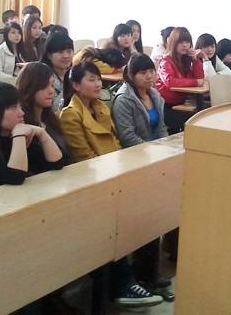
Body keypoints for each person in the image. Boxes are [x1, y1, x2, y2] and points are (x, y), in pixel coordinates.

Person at [59, 61, 163, 308]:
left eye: (98, 79)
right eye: (91, 80)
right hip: (93, 182)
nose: (98, 84)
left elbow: (116, 145)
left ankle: (143, 276)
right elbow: (85, 158)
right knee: (114, 223)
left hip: (114, 174)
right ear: (76, 86)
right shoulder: (70, 115)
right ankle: (125, 284)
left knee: (149, 210)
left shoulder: (102, 108)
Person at [111, 54, 173, 300]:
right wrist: (153, 154)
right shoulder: (124, 100)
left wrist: (167, 151)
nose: (149, 76)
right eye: (142, 72)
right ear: (130, 75)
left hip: (156, 160)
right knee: (145, 219)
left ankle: (151, 273)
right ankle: (142, 274)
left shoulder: (155, 95)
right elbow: (127, 137)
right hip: (136, 163)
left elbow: (162, 129)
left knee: (158, 216)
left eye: (151, 71)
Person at [16, 61, 73, 163]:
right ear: (30, 87)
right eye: (45, 86)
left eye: (52, 85)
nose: (51, 91)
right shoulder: (22, 124)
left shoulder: (52, 120)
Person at [155, 27, 205, 134]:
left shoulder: (185, 62)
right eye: (181, 42)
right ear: (173, 43)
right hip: (164, 107)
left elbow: (200, 78)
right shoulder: (165, 61)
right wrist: (196, 82)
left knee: (201, 118)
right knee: (196, 121)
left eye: (187, 42)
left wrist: (195, 60)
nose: (185, 45)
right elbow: (170, 82)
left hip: (178, 105)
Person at [40, 32, 74, 112]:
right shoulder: (43, 78)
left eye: (69, 51)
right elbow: (53, 109)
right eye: (60, 52)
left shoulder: (74, 74)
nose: (66, 56)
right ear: (49, 55)